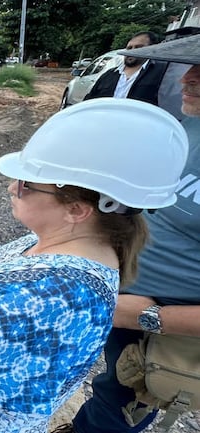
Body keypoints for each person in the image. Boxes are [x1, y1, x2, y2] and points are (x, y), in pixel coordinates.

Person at [0, 97, 189, 433]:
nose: (12, 187)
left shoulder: (46, 294)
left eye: (26, 183)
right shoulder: (82, 247)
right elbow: (10, 267)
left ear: (77, 209)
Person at [61, 33, 200, 433]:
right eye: (190, 64)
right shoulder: (187, 129)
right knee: (111, 385)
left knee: (128, 399)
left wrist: (149, 316)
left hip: (164, 320)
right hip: (124, 294)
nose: (187, 77)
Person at [84, 31, 168, 105]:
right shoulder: (109, 75)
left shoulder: (162, 73)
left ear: (152, 48)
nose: (132, 51)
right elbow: (89, 102)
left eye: (138, 47)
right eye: (129, 48)